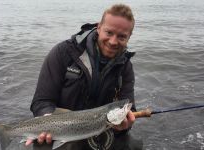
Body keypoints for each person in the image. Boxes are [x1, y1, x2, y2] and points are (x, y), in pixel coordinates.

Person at [27, 4, 142, 150]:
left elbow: (128, 105)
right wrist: (46, 117)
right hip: (60, 129)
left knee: (133, 146)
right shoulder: (63, 52)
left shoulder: (125, 67)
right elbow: (41, 101)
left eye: (121, 36)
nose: (113, 41)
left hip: (101, 131)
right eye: (109, 32)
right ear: (99, 27)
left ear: (129, 37)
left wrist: (125, 125)